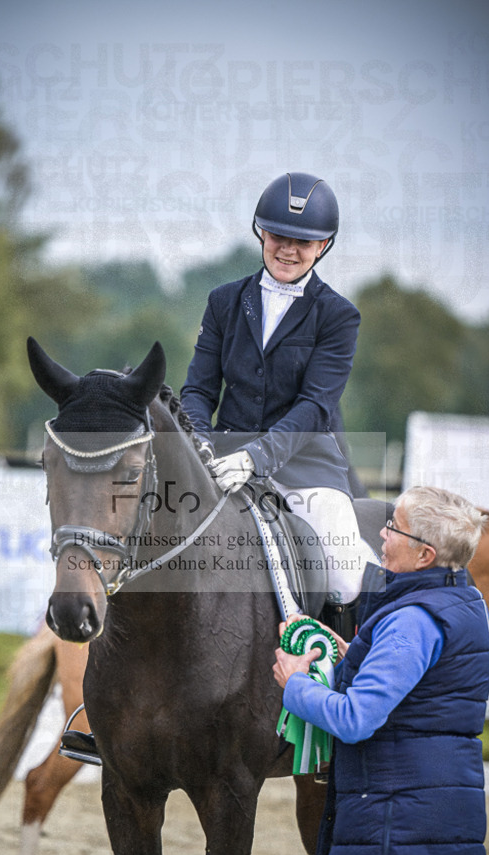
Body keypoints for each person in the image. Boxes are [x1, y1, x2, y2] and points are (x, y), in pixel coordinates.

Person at [272, 485, 489, 855]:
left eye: (394, 528)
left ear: (425, 555)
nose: (381, 534)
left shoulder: (411, 620)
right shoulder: (462, 602)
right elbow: (417, 689)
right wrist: (351, 658)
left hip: (398, 831)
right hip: (435, 827)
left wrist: (296, 684)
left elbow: (356, 719)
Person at [180, 171, 372, 616]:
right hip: (222, 454)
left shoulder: (338, 316)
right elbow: (197, 390)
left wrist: (256, 459)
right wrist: (202, 447)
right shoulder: (224, 301)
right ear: (261, 232)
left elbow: (315, 407)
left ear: (323, 246)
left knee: (345, 573)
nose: (288, 249)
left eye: (303, 242)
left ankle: (339, 673)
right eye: (279, 235)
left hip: (304, 462)